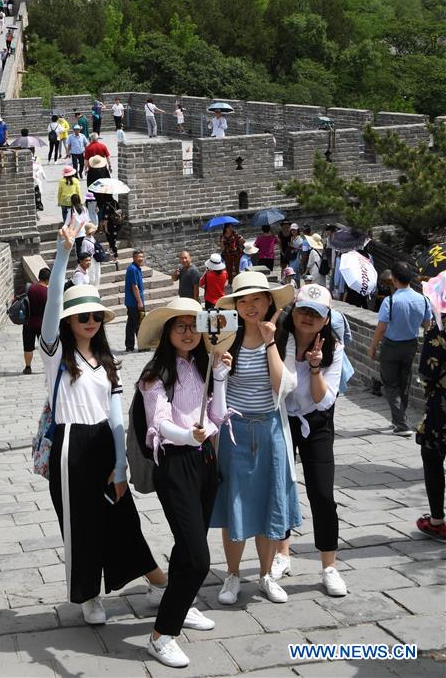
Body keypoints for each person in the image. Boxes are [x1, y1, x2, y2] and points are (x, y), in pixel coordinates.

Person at [39, 221, 164, 624]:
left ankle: (158, 582)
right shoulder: (57, 356)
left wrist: (121, 463)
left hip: (105, 444)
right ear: (69, 322)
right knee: (82, 523)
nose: (90, 322)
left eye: (95, 315)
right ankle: (89, 595)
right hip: (70, 444)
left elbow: (115, 418)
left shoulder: (109, 363)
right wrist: (63, 254)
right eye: (82, 317)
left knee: (123, 516)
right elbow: (53, 300)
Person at [139, 298, 232, 668]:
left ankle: (183, 603)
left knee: (186, 544)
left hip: (206, 460)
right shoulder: (154, 374)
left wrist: (221, 379)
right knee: (197, 557)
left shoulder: (203, 366)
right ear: (167, 332)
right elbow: (158, 423)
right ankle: (161, 635)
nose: (189, 333)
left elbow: (218, 415)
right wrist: (186, 435)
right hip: (175, 465)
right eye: (180, 326)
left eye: (194, 325)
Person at [211, 271, 300, 605]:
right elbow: (216, 389)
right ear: (236, 305)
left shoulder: (281, 339)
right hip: (234, 432)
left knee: (268, 504)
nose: (250, 306)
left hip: (270, 430)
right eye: (243, 300)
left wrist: (270, 341)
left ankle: (264, 575)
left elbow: (282, 388)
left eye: (256, 299)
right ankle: (233, 575)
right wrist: (220, 369)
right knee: (234, 503)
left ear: (268, 303)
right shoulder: (224, 338)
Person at [273, 284, 348, 597]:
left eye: (315, 313)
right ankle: (282, 554)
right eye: (303, 310)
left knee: (322, 492)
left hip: (315, 423)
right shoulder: (278, 339)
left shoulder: (334, 347)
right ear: (294, 311)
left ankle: (329, 566)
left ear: (326, 318)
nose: (308, 317)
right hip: (280, 419)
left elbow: (322, 400)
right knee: (280, 488)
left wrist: (316, 366)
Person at [369, 261, 432, 436]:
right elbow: (427, 325)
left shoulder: (390, 301)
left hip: (391, 346)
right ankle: (400, 418)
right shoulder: (423, 300)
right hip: (411, 345)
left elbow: (381, 328)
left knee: (390, 384)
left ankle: (401, 425)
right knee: (404, 383)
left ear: (394, 279)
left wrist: (372, 347)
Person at [415, 287, 446, 542]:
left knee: (433, 455)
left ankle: (437, 520)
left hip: (442, 406)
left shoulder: (439, 328)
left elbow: (427, 370)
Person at [22, 267, 51, 375]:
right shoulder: (48, 292)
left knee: (28, 347)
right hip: (43, 324)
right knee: (45, 347)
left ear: (39, 277)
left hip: (28, 322)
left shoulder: (29, 288)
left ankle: (28, 367)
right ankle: (48, 366)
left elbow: (16, 299)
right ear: (49, 279)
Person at [125, 250, 145, 352]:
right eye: (138, 257)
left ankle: (129, 346)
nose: (141, 258)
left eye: (142, 256)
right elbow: (134, 286)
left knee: (131, 324)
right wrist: (139, 301)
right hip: (134, 302)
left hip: (132, 301)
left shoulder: (135, 268)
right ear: (133, 258)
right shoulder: (133, 269)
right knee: (138, 323)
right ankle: (141, 345)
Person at [80, 223, 102, 287]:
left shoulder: (92, 238)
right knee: (92, 276)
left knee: (97, 274)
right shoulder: (85, 241)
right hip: (90, 260)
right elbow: (84, 253)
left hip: (96, 258)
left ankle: (96, 290)